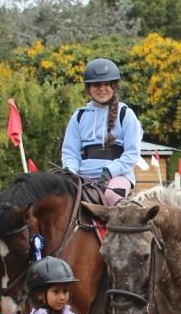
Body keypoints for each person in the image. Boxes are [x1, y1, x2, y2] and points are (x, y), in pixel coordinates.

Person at [61, 57, 143, 207]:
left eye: (107, 84)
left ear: (114, 86)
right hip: (83, 177)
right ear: (89, 88)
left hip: (117, 176)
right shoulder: (78, 116)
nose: (101, 88)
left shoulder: (126, 114)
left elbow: (132, 154)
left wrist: (109, 171)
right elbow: (70, 153)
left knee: (112, 196)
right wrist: (71, 172)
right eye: (96, 85)